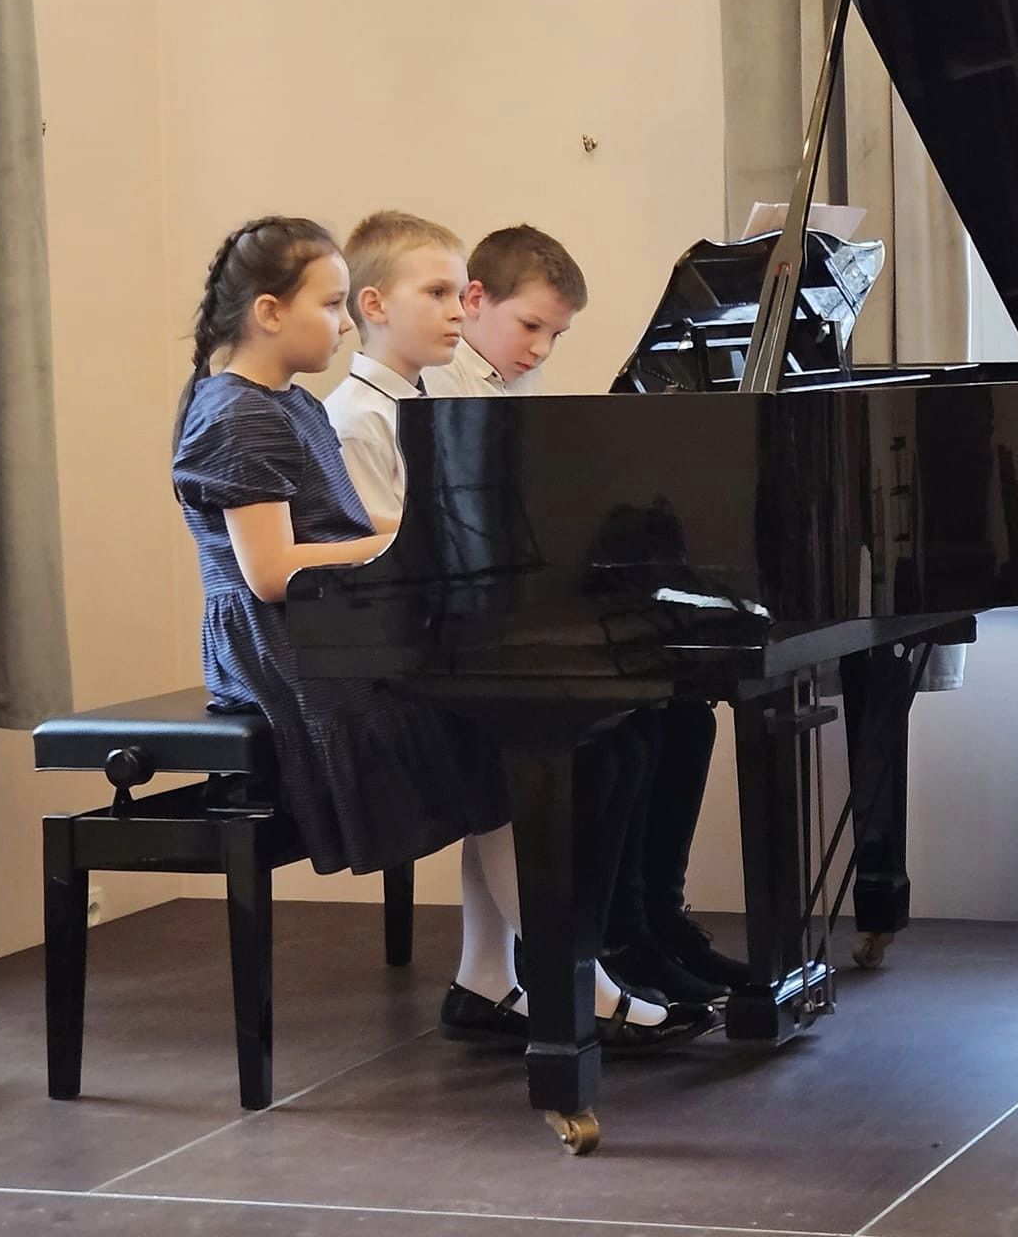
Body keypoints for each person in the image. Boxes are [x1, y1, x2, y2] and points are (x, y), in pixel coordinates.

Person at [173, 214, 699, 1054]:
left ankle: (496, 977)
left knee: (508, 736)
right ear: (269, 312)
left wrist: (423, 534)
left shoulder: (287, 405)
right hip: (288, 652)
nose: (342, 323)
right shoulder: (238, 415)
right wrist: (409, 541)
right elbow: (270, 572)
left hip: (327, 630)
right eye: (331, 305)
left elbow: (353, 524)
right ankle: (575, 985)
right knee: (502, 732)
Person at [426, 225, 755, 1004]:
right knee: (623, 733)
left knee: (682, 717)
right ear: (476, 300)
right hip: (463, 639)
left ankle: (654, 922)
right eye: (530, 326)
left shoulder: (512, 387)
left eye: (556, 335)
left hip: (511, 619)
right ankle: (609, 943)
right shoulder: (442, 391)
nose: (540, 349)